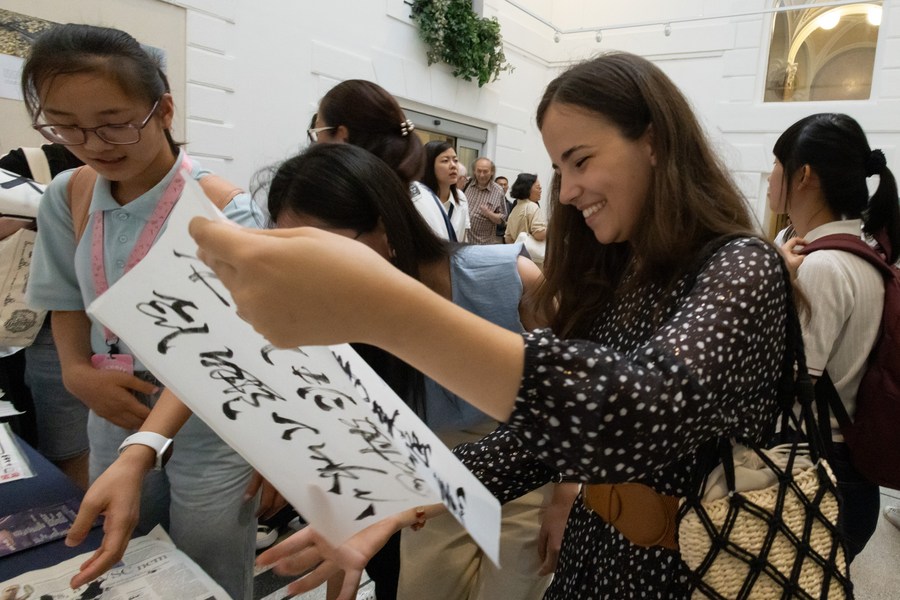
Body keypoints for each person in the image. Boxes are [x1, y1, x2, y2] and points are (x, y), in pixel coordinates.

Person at [190, 51, 794, 600]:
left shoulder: (742, 263)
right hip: (601, 554)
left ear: (655, 142)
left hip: (692, 567)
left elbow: (633, 412)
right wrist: (406, 498)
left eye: (581, 160)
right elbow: (539, 439)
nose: (570, 190)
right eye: (562, 168)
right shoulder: (627, 273)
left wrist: (386, 308)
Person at [264, 142, 572, 600]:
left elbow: (579, 392)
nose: (312, 268)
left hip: (528, 462)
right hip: (428, 476)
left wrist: (566, 498)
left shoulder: (505, 277)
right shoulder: (332, 310)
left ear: (385, 228)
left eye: (324, 248)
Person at [21, 24, 265, 599]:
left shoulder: (225, 212)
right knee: (128, 561)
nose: (94, 142)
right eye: (67, 126)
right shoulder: (70, 193)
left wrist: (146, 445)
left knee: (212, 568)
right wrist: (78, 374)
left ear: (164, 110)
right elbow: (67, 301)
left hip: (211, 419)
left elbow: (221, 346)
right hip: (116, 405)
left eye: (114, 121)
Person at [770, 113, 900, 562]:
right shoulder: (867, 257)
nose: (769, 178)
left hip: (816, 472)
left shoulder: (823, 267)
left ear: (803, 175)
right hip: (846, 468)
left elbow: (785, 381)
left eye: (776, 163)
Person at [0, 144, 88, 488]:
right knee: (68, 447)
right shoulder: (28, 163)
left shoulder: (142, 165)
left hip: (126, 325)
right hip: (46, 329)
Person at [309, 79, 456, 242]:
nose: (315, 142)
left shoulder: (357, 211)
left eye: (317, 131)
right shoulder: (412, 194)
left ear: (342, 136)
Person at [421, 141, 470, 242]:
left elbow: (462, 238)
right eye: (445, 161)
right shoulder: (419, 199)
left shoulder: (461, 197)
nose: (453, 165)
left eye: (455, 160)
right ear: (429, 166)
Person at [465, 157, 507, 244]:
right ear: (474, 171)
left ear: (492, 172)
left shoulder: (498, 191)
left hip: (482, 244)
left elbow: (503, 219)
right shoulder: (466, 184)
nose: (481, 175)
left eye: (485, 171)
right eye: (479, 171)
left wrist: (489, 213)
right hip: (462, 241)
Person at [504, 173, 546, 244]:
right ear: (527, 189)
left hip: (518, 252)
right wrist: (554, 230)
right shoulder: (532, 206)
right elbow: (538, 233)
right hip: (530, 253)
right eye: (538, 187)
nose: (540, 190)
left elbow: (508, 239)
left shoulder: (515, 209)